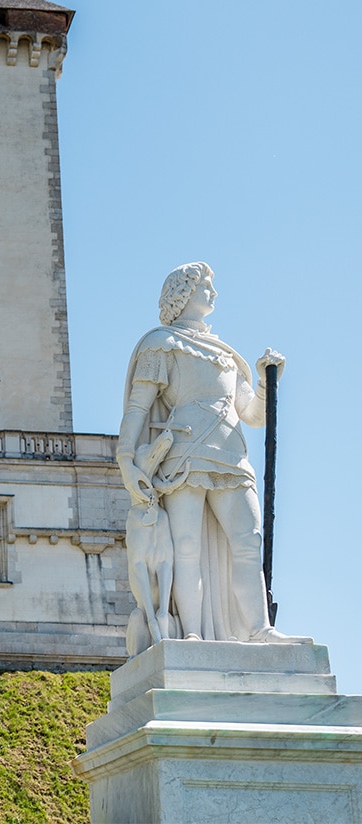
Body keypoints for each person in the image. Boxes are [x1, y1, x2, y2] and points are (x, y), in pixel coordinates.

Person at [117, 263, 307, 646]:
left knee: (248, 540)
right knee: (186, 547)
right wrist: (125, 458)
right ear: (183, 292)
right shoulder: (162, 343)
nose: (213, 293)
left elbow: (250, 413)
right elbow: (138, 408)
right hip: (184, 456)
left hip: (231, 454)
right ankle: (191, 632)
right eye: (205, 286)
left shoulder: (226, 356)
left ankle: (259, 628)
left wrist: (268, 383)